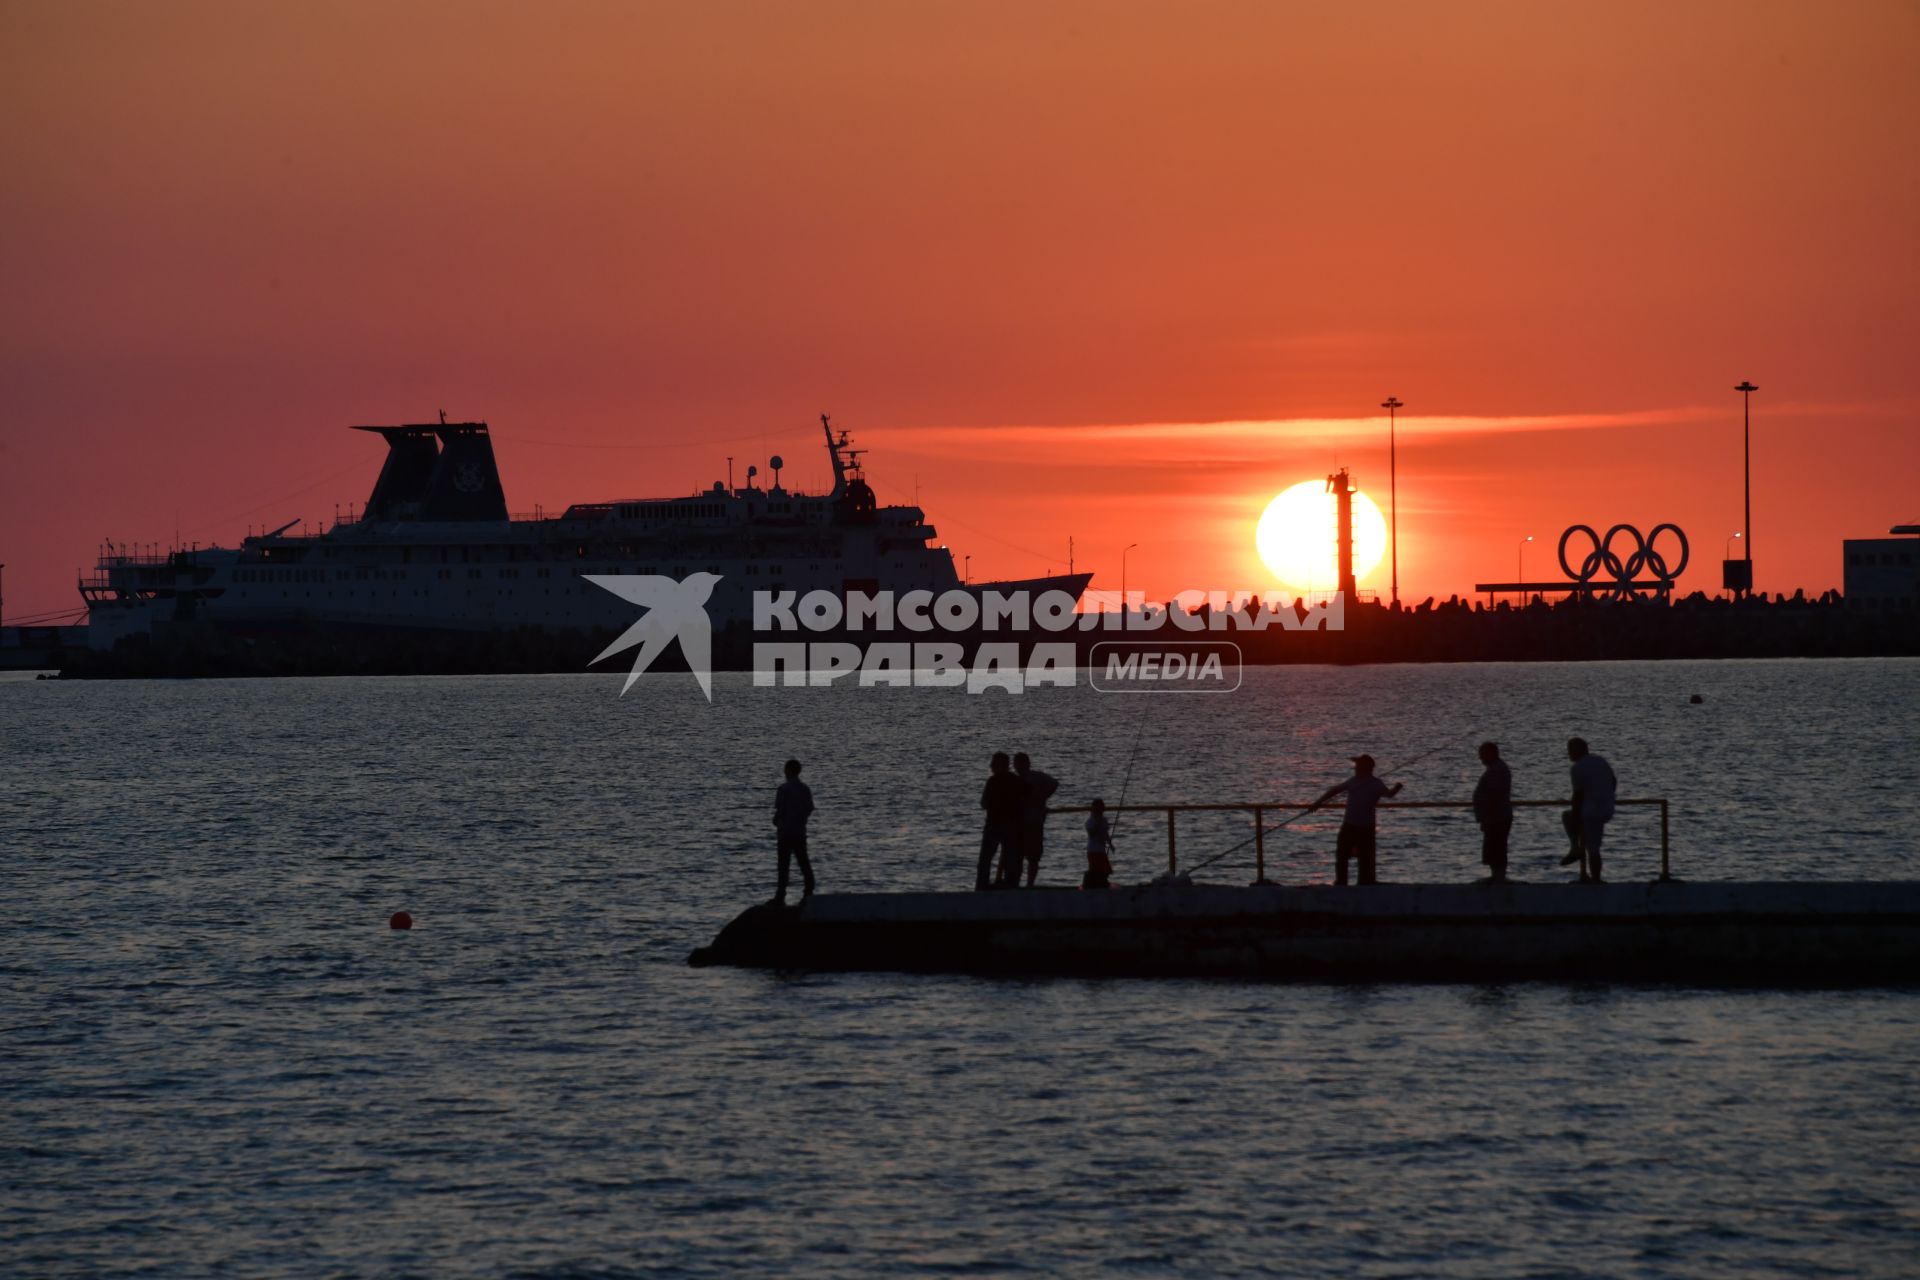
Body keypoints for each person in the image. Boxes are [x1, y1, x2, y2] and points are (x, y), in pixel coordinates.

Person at [1313, 754, 1403, 886]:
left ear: (1366, 768)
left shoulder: (1376, 783)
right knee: (1342, 854)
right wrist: (1318, 802)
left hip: (1365, 827)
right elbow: (1335, 790)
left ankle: (1364, 883)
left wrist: (1397, 787)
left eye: (1358, 766)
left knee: (1365, 858)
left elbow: (1389, 794)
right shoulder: (1353, 781)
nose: (1355, 769)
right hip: (1350, 824)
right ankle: (1341, 882)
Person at [1563, 737, 1617, 883]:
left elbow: (1577, 796)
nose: (1569, 753)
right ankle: (1576, 848)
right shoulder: (1600, 760)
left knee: (1592, 848)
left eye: (1570, 750)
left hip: (1593, 811)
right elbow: (1613, 780)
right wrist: (1608, 796)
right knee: (1568, 817)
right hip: (1607, 807)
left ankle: (1595, 879)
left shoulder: (1577, 768)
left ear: (1578, 751)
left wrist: (1576, 818)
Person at [1011, 752, 1059, 887]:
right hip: (1018, 824)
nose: (1018, 766)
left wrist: (1042, 798)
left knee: (1033, 857)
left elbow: (1054, 784)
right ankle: (1015, 884)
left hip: (1034, 822)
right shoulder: (1014, 780)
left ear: (1027, 764)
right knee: (1017, 857)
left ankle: (1029, 884)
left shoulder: (1036, 777)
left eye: (1021, 763)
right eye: (1016, 763)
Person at [772, 758, 815, 905]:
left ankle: (780, 895)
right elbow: (809, 808)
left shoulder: (784, 789)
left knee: (784, 865)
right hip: (799, 832)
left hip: (785, 832)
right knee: (803, 862)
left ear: (788, 771)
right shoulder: (805, 789)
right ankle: (809, 890)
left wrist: (776, 820)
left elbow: (780, 810)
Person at [978, 752, 1024, 890]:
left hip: (996, 824)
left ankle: (981, 888)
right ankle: (1011, 886)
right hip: (1009, 825)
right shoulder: (1016, 781)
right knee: (1010, 859)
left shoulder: (993, 781)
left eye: (994, 763)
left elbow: (984, 803)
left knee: (985, 860)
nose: (991, 766)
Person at [1472, 742, 1513, 883]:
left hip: (1497, 816)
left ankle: (1499, 877)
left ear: (1491, 753)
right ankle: (1496, 876)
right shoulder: (1496, 769)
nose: (1480, 758)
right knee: (1494, 847)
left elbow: (1493, 796)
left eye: (1482, 754)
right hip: (1496, 815)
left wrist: (1486, 818)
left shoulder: (1497, 770)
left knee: (1497, 846)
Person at [1082, 798, 1115, 889]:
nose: (1100, 812)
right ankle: (1091, 885)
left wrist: (1110, 844)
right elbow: (1091, 834)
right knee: (1095, 870)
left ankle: (1103, 884)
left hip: (1101, 850)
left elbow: (1105, 834)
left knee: (1105, 871)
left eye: (1101, 809)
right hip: (1093, 850)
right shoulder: (1090, 822)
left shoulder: (1104, 820)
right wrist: (1097, 823)